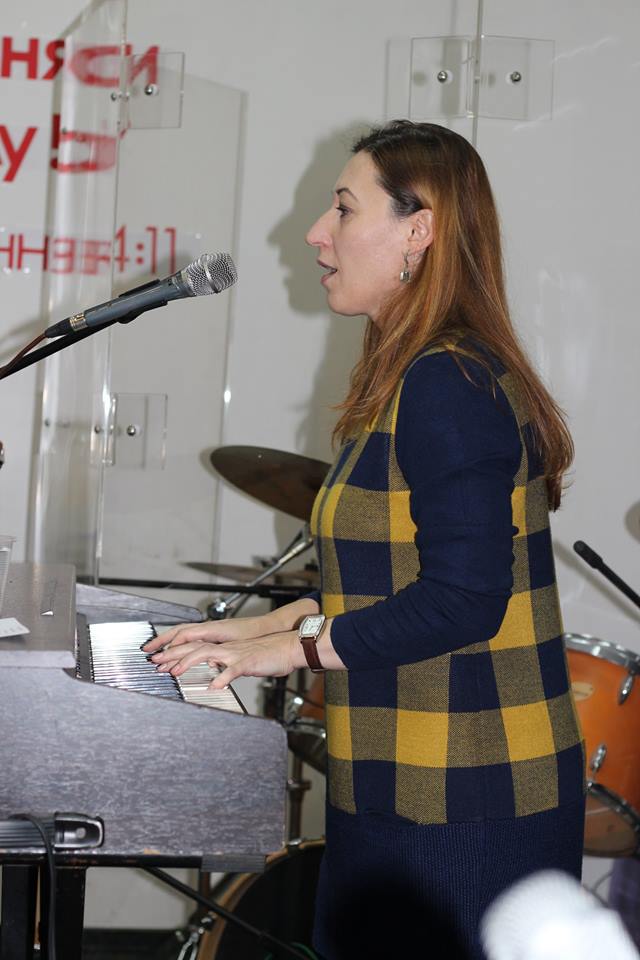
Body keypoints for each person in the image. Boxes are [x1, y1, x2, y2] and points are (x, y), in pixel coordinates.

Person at [144, 120, 585, 959]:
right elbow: (390, 577)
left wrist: (293, 652)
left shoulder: (448, 381)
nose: (317, 232)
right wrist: (256, 630)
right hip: (401, 779)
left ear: (419, 231)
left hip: (468, 797)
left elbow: (464, 599)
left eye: (344, 209)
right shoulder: (414, 373)